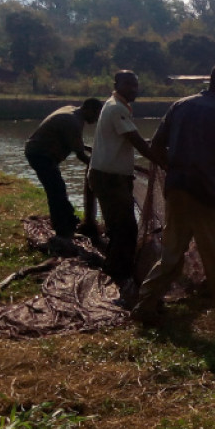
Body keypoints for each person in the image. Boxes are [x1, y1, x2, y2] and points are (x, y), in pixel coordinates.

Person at [131, 63, 215, 327]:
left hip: (176, 188)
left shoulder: (180, 105)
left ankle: (145, 304)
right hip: (205, 192)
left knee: (172, 251)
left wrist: (172, 169)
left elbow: (156, 145)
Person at [88, 70, 154, 285]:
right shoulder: (116, 108)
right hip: (109, 179)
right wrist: (164, 162)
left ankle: (116, 269)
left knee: (119, 226)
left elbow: (132, 139)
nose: (133, 89)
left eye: (136, 84)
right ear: (116, 84)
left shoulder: (119, 106)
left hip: (111, 177)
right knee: (125, 228)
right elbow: (136, 140)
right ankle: (120, 275)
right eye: (128, 84)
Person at [23, 98, 102, 244]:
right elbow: (80, 155)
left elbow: (75, 142)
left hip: (40, 152)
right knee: (56, 191)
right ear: (89, 109)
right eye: (97, 115)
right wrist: (99, 167)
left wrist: (89, 150)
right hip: (40, 155)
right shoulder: (73, 121)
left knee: (58, 189)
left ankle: (69, 225)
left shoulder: (72, 112)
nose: (97, 119)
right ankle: (63, 232)